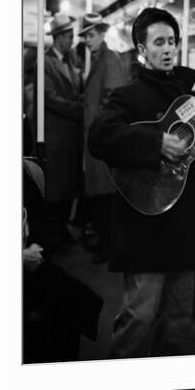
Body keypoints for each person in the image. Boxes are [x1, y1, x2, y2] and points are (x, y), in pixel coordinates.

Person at [88, 7, 195, 358]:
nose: (168, 49)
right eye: (159, 42)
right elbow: (100, 137)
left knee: (179, 321)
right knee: (138, 318)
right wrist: (155, 143)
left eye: (172, 42)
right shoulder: (126, 96)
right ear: (141, 49)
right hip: (145, 225)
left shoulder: (191, 99)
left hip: (185, 226)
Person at [79, 13, 130, 263]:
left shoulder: (109, 60)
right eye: (85, 36)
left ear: (101, 34)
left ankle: (108, 247)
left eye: (90, 35)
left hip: (102, 137)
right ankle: (104, 244)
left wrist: (97, 121)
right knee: (100, 197)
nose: (86, 40)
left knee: (105, 197)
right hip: (96, 136)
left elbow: (112, 98)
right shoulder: (100, 59)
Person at [44, 13, 83, 250]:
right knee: (57, 186)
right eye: (69, 36)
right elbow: (51, 99)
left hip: (70, 134)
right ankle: (55, 231)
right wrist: (80, 109)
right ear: (58, 37)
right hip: (56, 134)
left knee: (68, 183)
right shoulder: (45, 62)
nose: (71, 41)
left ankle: (61, 229)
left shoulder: (70, 62)